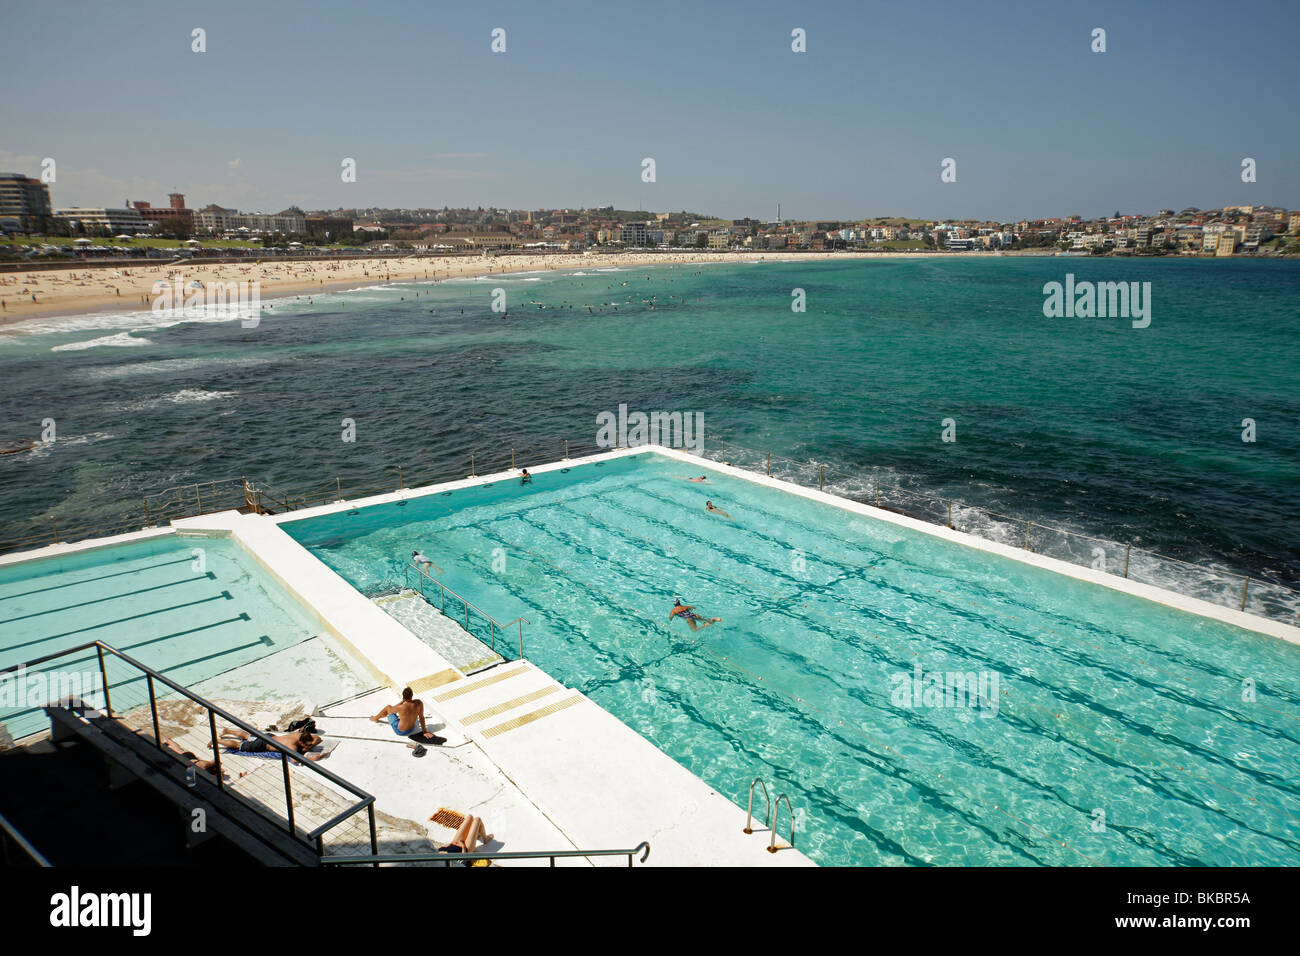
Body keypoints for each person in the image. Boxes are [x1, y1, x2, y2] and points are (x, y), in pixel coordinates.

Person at [371, 687, 446, 745]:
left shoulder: (401, 707)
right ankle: (379, 718)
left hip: (400, 731)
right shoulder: (419, 703)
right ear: (412, 695)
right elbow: (421, 717)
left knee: (388, 707)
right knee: (409, 715)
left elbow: (391, 711)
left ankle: (375, 718)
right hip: (411, 729)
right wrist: (424, 731)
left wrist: (402, 701)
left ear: (403, 696)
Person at [209, 727, 325, 761]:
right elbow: (295, 760)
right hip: (263, 745)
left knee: (247, 736)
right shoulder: (292, 746)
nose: (308, 747)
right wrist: (313, 759)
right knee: (238, 746)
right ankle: (216, 741)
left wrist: (310, 744)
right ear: (300, 743)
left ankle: (228, 731)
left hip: (270, 737)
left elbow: (318, 738)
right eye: (306, 745)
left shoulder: (301, 735)